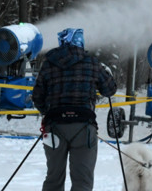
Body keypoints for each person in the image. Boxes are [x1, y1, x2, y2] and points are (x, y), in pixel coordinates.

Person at [32, 28, 117, 191]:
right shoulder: (92, 62)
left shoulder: (48, 63)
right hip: (83, 127)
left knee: (53, 179)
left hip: (55, 125)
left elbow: (37, 96)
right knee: (82, 182)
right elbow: (110, 89)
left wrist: (48, 113)